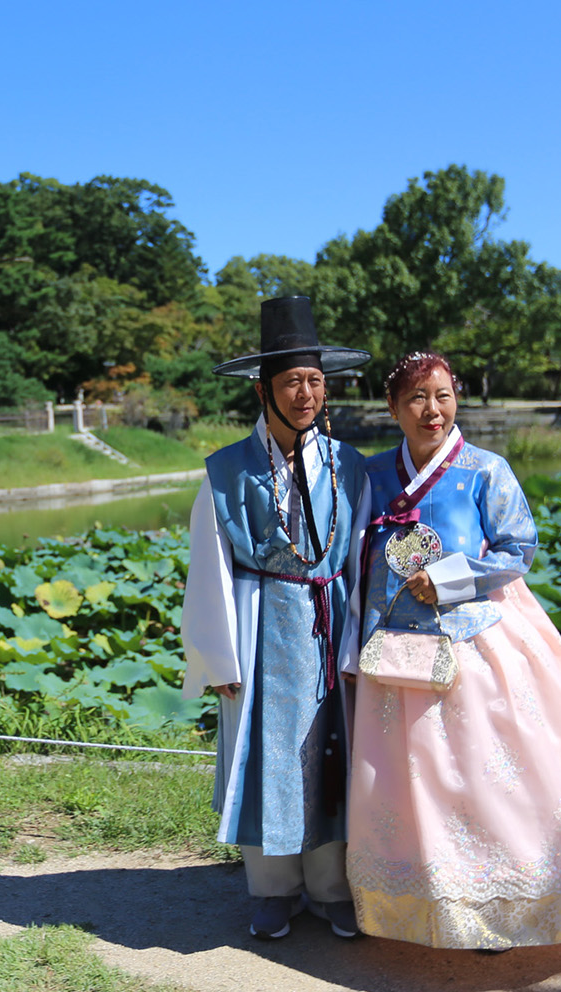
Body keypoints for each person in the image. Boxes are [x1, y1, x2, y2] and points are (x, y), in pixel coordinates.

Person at [343, 351, 561, 952]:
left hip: (475, 636)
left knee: (482, 771)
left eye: (444, 395)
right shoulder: (370, 475)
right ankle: (420, 901)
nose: (433, 410)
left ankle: (501, 907)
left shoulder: (484, 469)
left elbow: (517, 548)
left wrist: (446, 580)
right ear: (393, 408)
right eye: (418, 398)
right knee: (407, 780)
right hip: (396, 646)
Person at [180, 296, 372, 941]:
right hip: (260, 626)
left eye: (316, 381)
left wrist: (364, 643)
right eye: (292, 381)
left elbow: (366, 558)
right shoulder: (227, 471)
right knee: (264, 758)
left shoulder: (349, 466)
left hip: (331, 617)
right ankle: (272, 888)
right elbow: (209, 567)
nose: (307, 393)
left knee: (330, 754)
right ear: (263, 389)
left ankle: (331, 887)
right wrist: (217, 658)